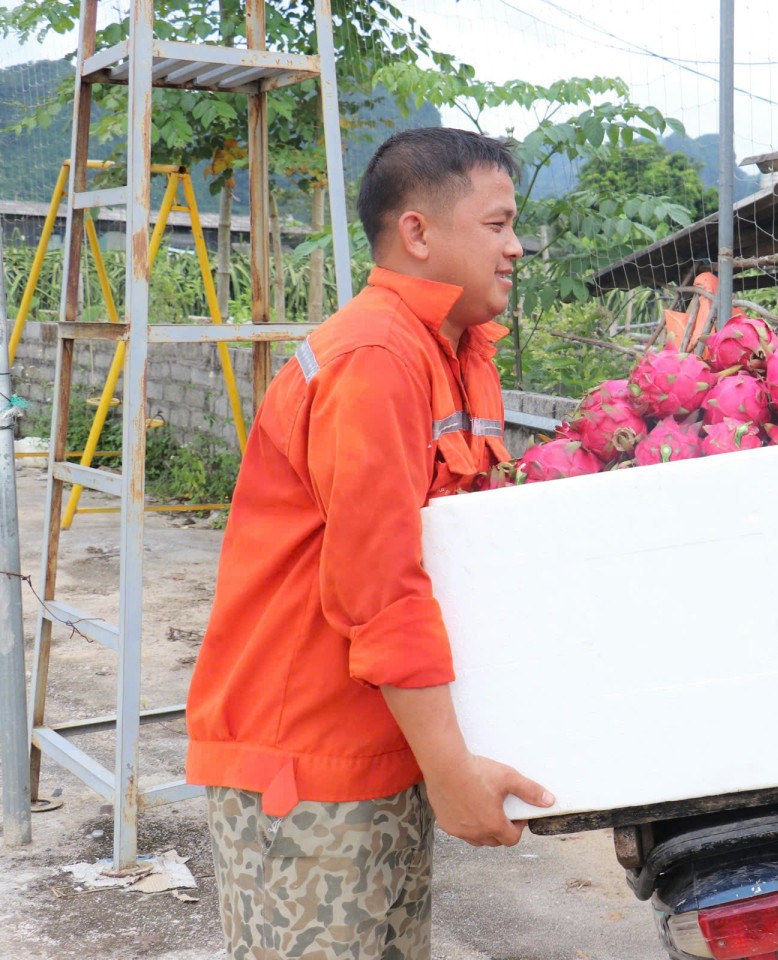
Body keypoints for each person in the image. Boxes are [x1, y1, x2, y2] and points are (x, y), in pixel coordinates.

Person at [186, 128, 553, 959]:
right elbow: (380, 586)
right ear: (418, 233)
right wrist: (453, 772)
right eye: (497, 225)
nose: (516, 246)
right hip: (309, 760)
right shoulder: (378, 356)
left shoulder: (458, 351)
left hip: (384, 749)